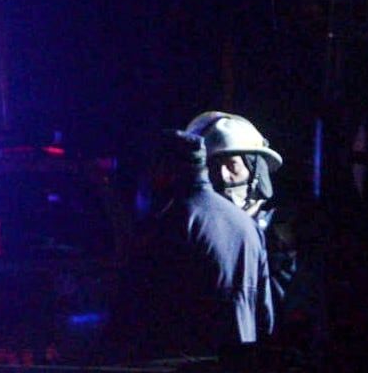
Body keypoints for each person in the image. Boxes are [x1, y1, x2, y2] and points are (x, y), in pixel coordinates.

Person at [115, 112, 277, 356]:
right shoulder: (249, 230)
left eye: (233, 165)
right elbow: (265, 322)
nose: (224, 177)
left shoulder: (168, 220)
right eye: (214, 166)